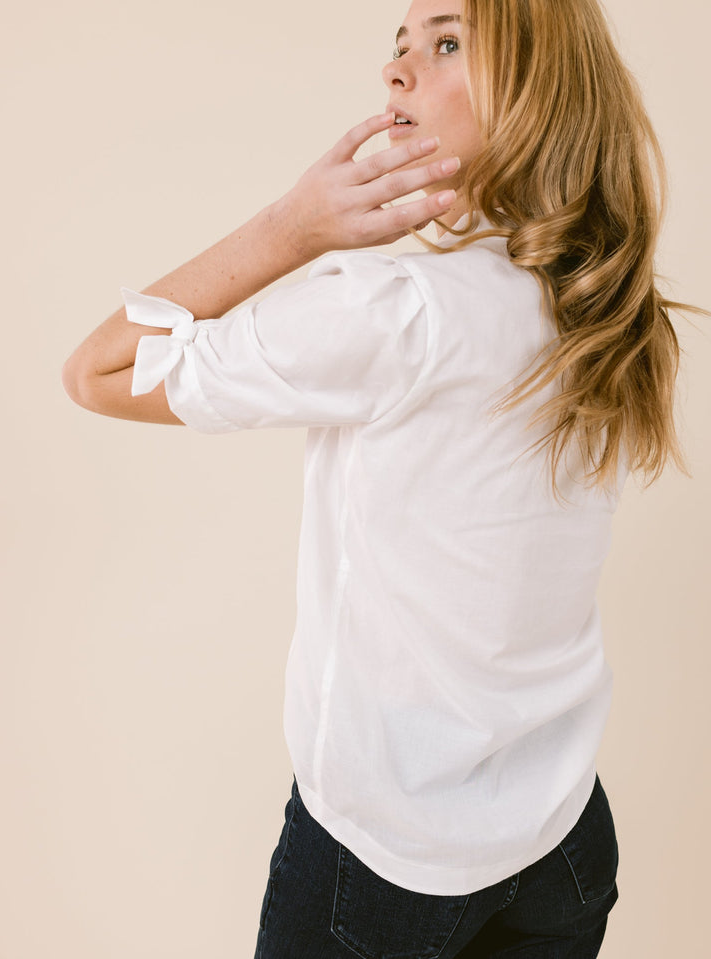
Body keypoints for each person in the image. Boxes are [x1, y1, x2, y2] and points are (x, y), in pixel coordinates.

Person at [62, 0, 702, 956]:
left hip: (385, 866)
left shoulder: (400, 312)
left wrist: (294, 228)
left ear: (540, 87)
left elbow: (96, 371)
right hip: (563, 843)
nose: (398, 70)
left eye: (445, 43)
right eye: (397, 48)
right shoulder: (608, 306)